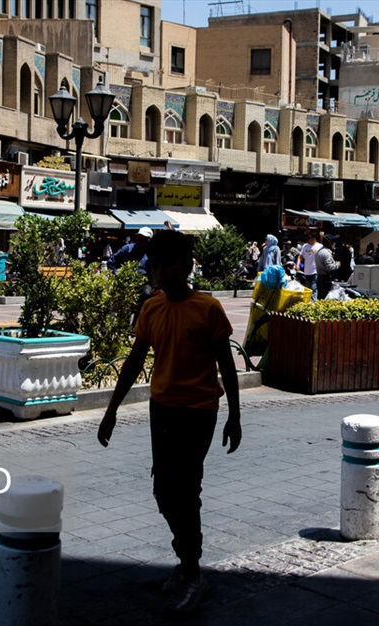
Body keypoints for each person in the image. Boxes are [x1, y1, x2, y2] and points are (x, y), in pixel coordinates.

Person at [97, 229, 241, 615]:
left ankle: (193, 573)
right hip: (161, 408)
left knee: (185, 488)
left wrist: (235, 416)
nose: (159, 272)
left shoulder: (208, 308)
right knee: (163, 489)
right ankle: (187, 560)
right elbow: (133, 362)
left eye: (166, 264)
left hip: (199, 411)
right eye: (155, 264)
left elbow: (227, 365)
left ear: (186, 266)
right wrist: (110, 411)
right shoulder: (151, 308)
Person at [108, 227, 155, 323]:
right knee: (119, 300)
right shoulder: (128, 249)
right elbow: (111, 262)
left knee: (146, 294)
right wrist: (116, 275)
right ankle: (121, 324)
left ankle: (137, 324)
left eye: (143, 237)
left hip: (144, 283)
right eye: (139, 237)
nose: (140, 239)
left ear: (149, 239)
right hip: (126, 281)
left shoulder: (152, 253)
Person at [297, 231, 322, 300]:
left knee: (313, 287)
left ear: (314, 238)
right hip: (307, 271)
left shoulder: (319, 246)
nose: (308, 239)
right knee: (308, 288)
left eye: (309, 238)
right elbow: (300, 256)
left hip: (315, 271)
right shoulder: (305, 246)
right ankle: (309, 301)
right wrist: (298, 265)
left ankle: (313, 302)